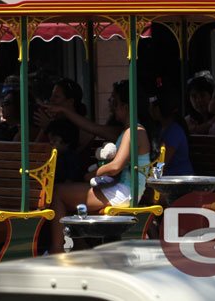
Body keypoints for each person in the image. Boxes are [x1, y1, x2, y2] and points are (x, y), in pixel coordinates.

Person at [48, 80, 150, 253]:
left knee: (58, 193)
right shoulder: (128, 130)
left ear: (125, 107)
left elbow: (116, 166)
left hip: (124, 192)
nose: (111, 107)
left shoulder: (134, 131)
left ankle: (57, 251)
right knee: (68, 194)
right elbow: (92, 128)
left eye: (114, 102)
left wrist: (94, 174)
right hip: (121, 189)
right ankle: (78, 248)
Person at [149, 86, 193, 176]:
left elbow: (160, 166)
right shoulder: (160, 128)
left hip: (179, 181)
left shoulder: (174, 131)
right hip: (168, 180)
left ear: (157, 110)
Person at [45, 117, 82, 184]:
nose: (50, 143)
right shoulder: (52, 156)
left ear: (67, 142)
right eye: (49, 140)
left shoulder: (71, 158)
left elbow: (70, 181)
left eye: (54, 141)